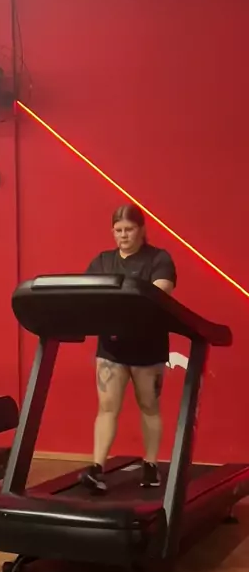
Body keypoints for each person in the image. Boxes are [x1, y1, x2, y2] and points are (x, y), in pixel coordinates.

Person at [80, 204, 176, 494]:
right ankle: (97, 467)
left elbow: (159, 293)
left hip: (148, 346)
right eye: (118, 230)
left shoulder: (158, 258)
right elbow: (86, 294)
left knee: (149, 406)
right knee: (107, 408)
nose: (123, 235)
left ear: (141, 230)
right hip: (111, 347)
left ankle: (150, 465)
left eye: (129, 229)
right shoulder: (103, 261)